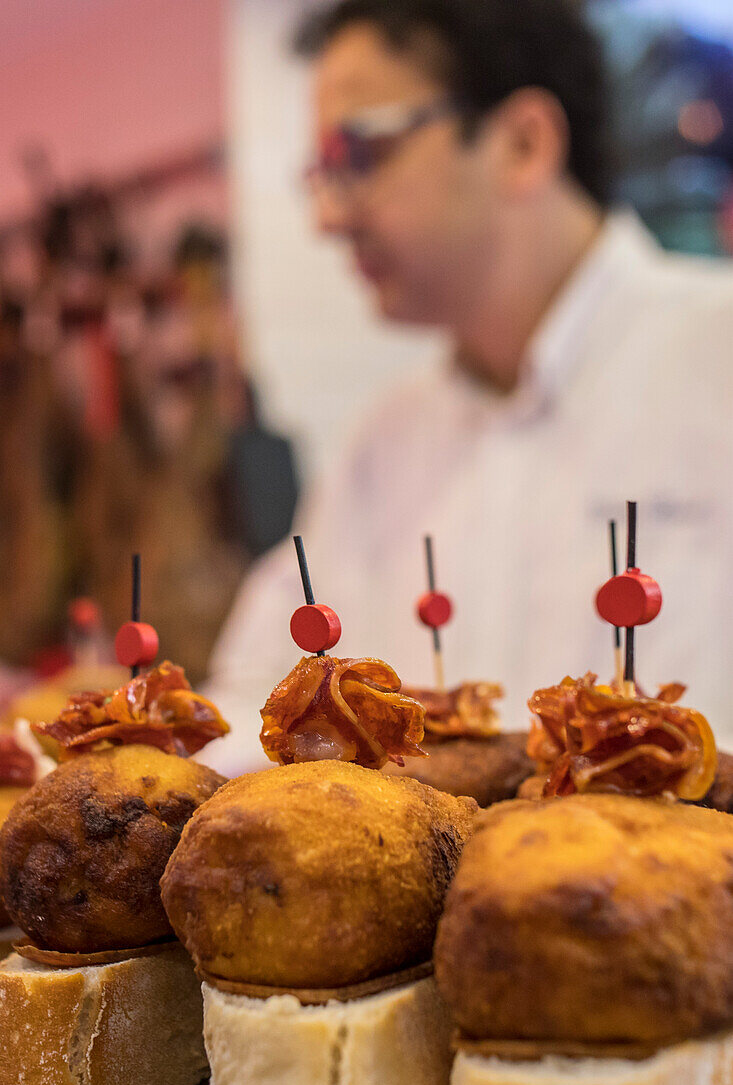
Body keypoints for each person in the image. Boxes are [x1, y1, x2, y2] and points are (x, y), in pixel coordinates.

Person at [200, 0, 733, 776]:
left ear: (522, 143)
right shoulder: (384, 439)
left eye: (362, 154)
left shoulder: (714, 359)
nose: (326, 216)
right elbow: (252, 703)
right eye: (321, 172)